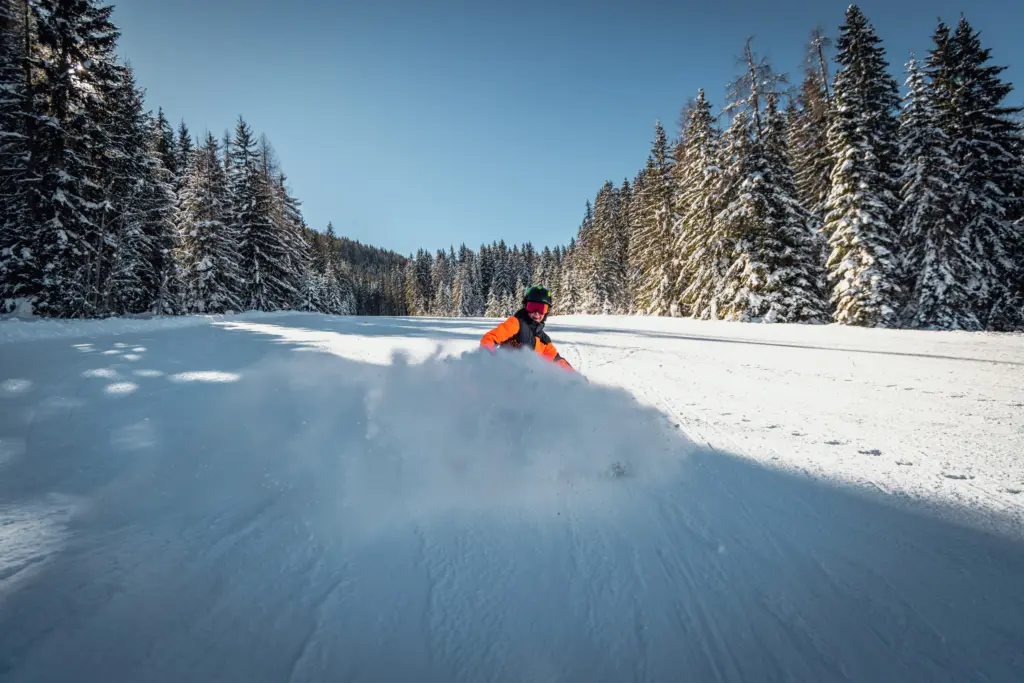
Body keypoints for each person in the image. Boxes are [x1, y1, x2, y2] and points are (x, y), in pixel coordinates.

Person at [480, 285, 574, 371]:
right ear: (525, 306)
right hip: (504, 376)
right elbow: (490, 338)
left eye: (542, 309)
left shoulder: (544, 340)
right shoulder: (516, 323)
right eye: (532, 307)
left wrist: (576, 378)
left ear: (546, 312)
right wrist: (488, 359)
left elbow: (557, 361)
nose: (536, 313)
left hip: (527, 383)